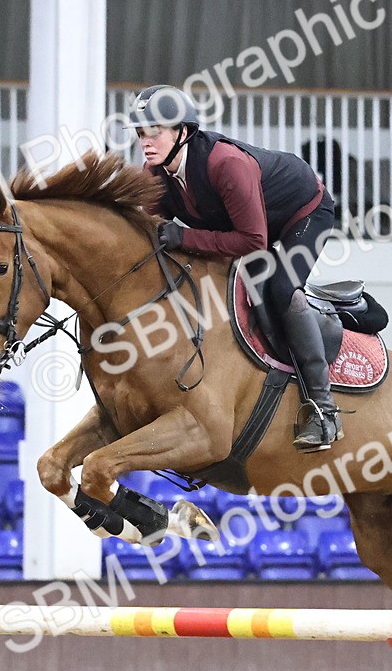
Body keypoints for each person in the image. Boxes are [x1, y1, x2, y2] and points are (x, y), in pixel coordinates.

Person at [128, 84, 343, 452]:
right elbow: (151, 234)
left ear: (183, 132)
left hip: (304, 213)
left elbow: (253, 242)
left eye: (155, 131)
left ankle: (324, 411)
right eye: (140, 132)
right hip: (248, 223)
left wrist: (185, 237)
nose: (146, 141)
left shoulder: (226, 164)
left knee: (280, 287)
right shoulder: (155, 172)